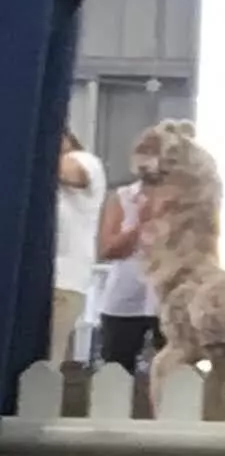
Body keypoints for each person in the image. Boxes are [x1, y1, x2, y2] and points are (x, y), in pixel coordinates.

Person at [85, 136, 159, 394]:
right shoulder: (123, 197)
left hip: (170, 299)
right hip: (125, 298)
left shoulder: (187, 202)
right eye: (144, 154)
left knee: (177, 371)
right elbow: (108, 249)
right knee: (116, 370)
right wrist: (140, 222)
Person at [43, 129, 97, 372]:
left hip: (64, 281)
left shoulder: (86, 161)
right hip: (41, 279)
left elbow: (73, 174)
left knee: (47, 360)